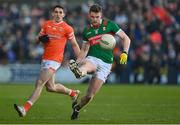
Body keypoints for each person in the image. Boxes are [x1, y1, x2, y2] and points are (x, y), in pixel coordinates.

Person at [14, 5, 81, 117]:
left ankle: (25, 108)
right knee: (51, 87)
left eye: (60, 12)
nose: (58, 14)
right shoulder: (46, 24)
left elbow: (74, 44)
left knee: (39, 83)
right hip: (45, 58)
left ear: (64, 14)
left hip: (55, 60)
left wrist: (81, 60)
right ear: (52, 13)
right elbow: (37, 40)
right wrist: (39, 39)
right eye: (56, 12)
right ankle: (73, 93)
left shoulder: (67, 28)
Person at [69, 4, 131, 120]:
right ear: (89, 16)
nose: (95, 19)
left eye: (97, 17)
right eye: (92, 17)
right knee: (87, 66)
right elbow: (84, 50)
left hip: (106, 65)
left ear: (101, 15)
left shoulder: (109, 25)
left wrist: (125, 53)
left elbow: (126, 38)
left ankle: (77, 108)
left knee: (89, 96)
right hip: (93, 59)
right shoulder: (87, 31)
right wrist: (77, 62)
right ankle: (79, 71)